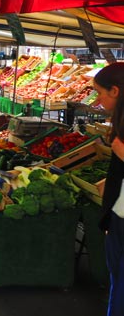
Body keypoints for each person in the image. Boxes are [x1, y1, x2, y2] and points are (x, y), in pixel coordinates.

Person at [95, 62, 124, 316]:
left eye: (100, 93)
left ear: (115, 91)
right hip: (118, 212)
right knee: (117, 278)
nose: (97, 99)